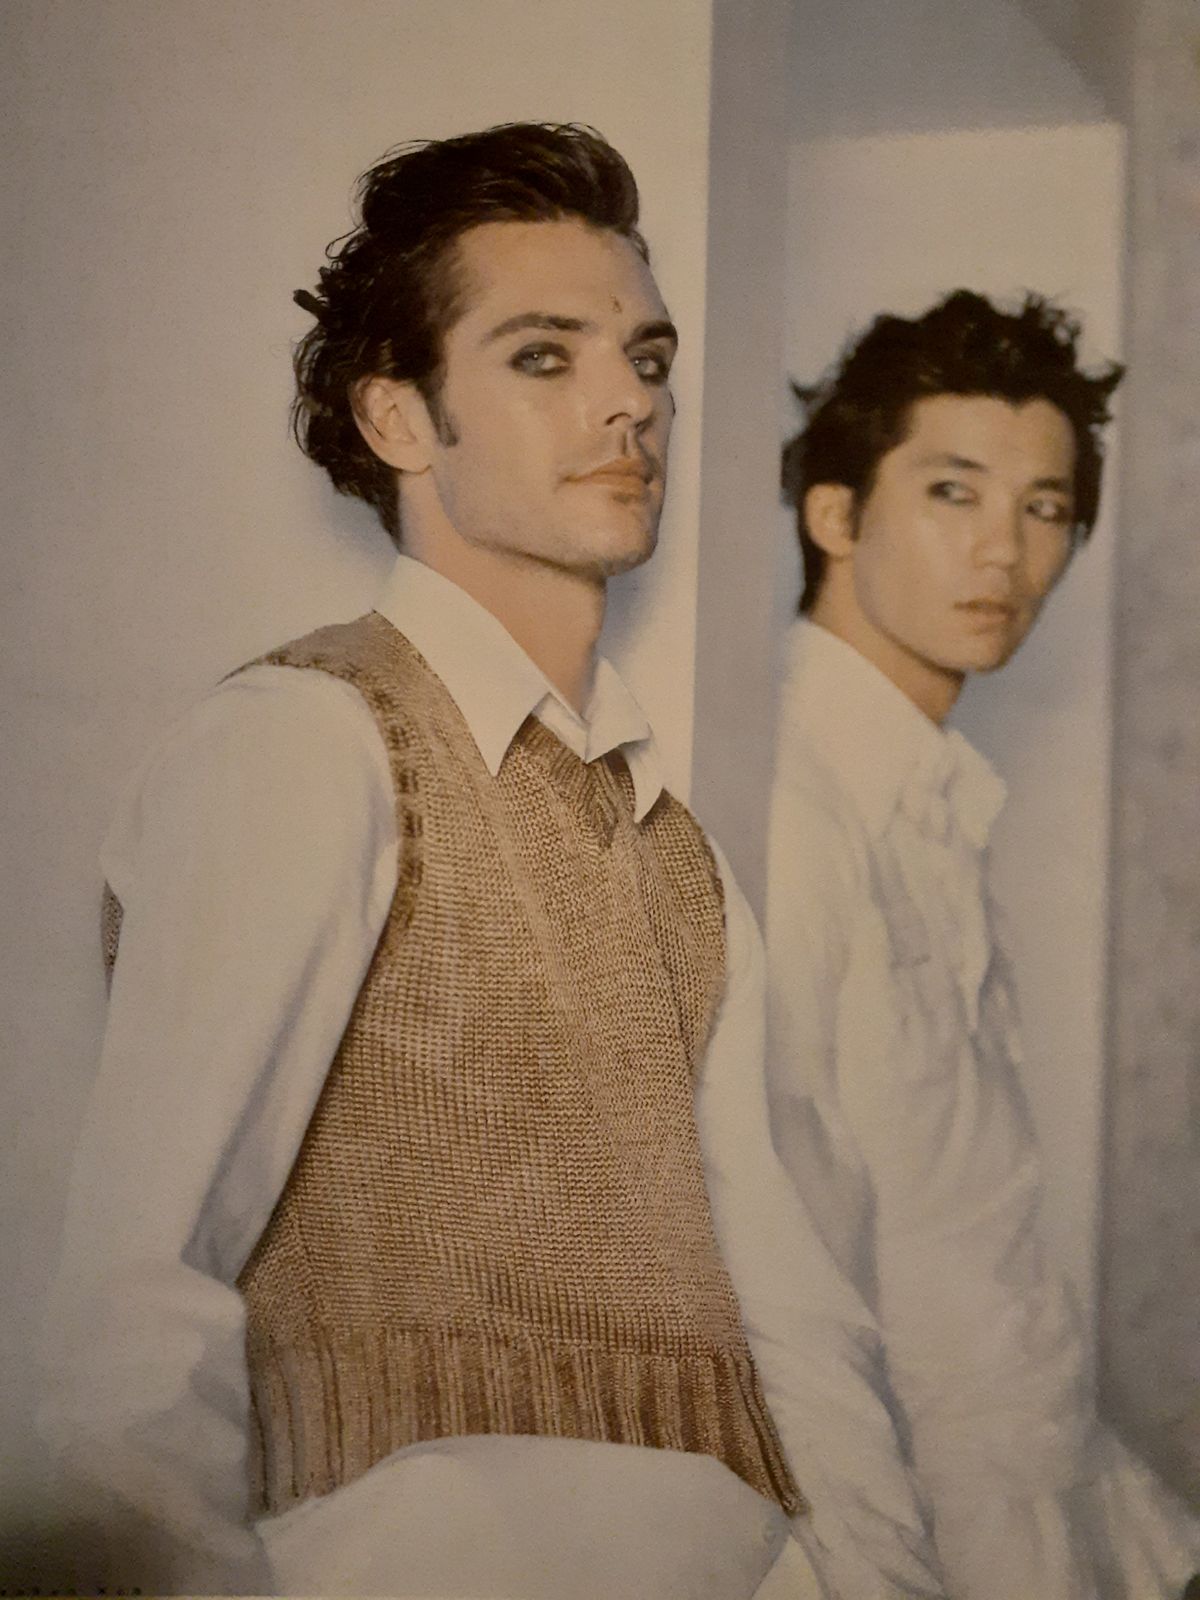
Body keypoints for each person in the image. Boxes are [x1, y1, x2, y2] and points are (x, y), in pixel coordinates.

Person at [36, 123, 943, 1600]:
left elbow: (793, 1318)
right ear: (400, 418)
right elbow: (134, 1296)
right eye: (542, 357)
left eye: (646, 359)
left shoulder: (674, 852)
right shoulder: (310, 742)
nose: (627, 402)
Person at [769, 288, 1200, 1598]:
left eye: (1045, 507)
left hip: (1038, 1498)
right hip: (894, 1536)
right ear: (835, 515)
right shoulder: (785, 809)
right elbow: (778, 1277)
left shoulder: (938, 799)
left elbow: (973, 1241)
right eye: (953, 492)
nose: (1005, 551)